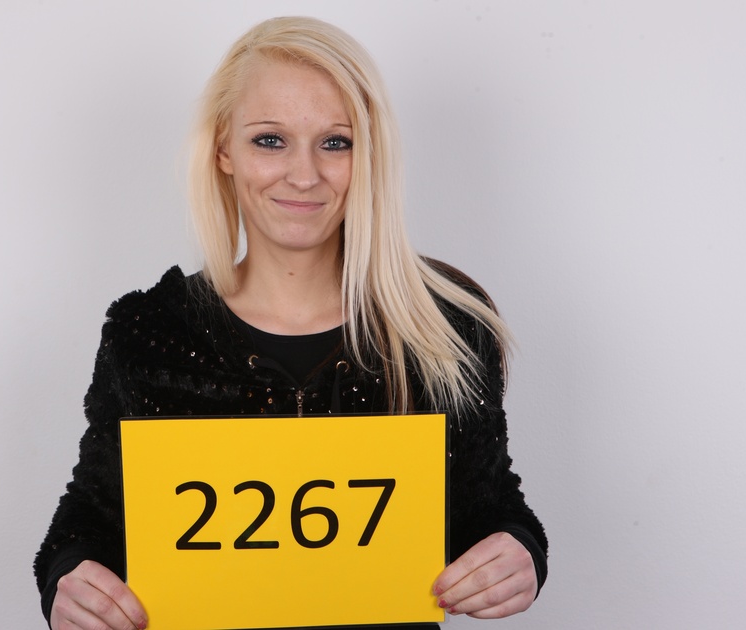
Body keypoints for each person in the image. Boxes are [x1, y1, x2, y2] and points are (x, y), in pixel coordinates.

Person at [34, 16, 547, 630]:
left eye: (335, 142)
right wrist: (69, 576)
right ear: (224, 149)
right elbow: (92, 517)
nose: (304, 175)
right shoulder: (147, 332)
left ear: (369, 154)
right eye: (270, 140)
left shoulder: (446, 329)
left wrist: (521, 552)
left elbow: (488, 508)